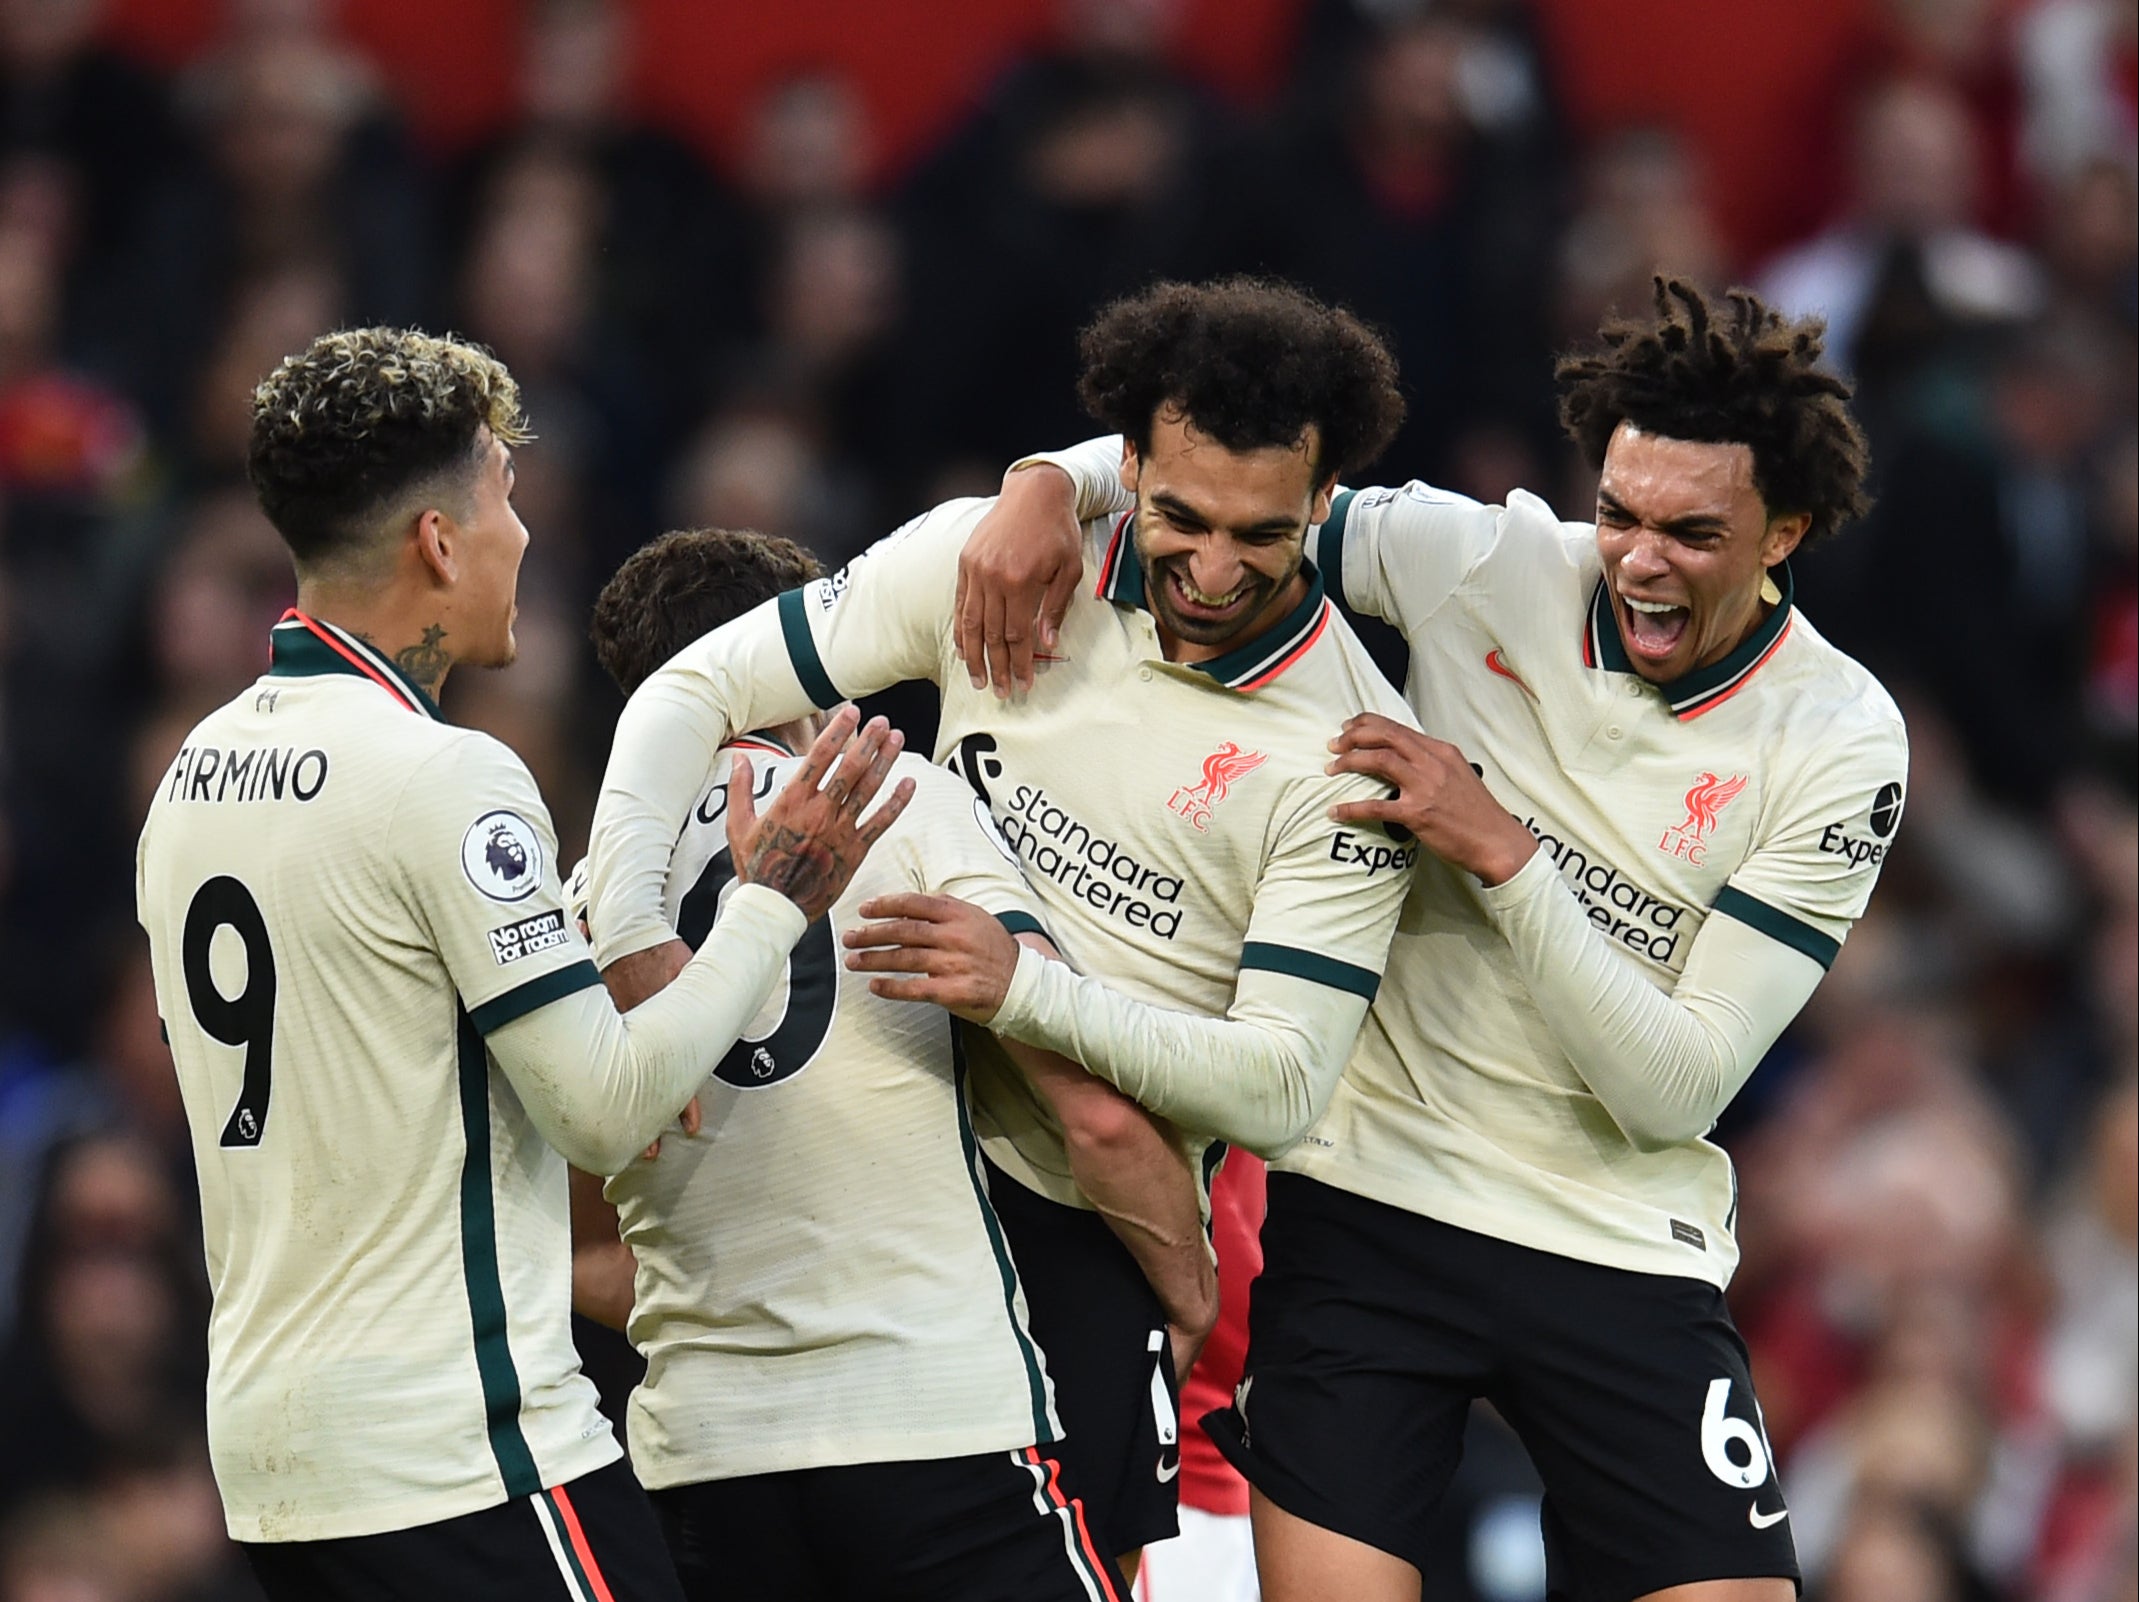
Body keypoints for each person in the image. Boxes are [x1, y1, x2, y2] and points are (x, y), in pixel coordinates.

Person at [963, 278, 1911, 1602]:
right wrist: (1039, 489)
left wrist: (1503, 853)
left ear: (1783, 533)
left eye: (1690, 534)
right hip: (1374, 1204)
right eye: (1618, 514)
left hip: (1618, 1244)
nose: (1636, 559)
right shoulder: (1484, 562)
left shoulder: (1838, 738)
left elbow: (1671, 1088)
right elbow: (1232, 481)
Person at [584, 277, 1419, 1576]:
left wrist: (1019, 992)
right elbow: (698, 680)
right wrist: (632, 920)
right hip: (909, 1186)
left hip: (1074, 1204)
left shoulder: (1351, 753)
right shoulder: (989, 560)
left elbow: (1281, 1082)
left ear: (1322, 505)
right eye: (1178, 517)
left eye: (1258, 534)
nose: (1207, 568)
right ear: (1127, 466)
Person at [134, 327, 914, 1602]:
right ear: (438, 542)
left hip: (278, 1469)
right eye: (503, 495)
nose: (524, 536)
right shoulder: (452, 777)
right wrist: (772, 902)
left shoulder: (190, 781)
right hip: (462, 1451)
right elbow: (605, 1108)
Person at [566, 526, 1187, 1602]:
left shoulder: (586, 909)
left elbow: (577, 1245)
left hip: (707, 1459)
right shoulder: (905, 806)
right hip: (936, 1424)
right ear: (804, 661)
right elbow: (1090, 1115)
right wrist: (1189, 1290)